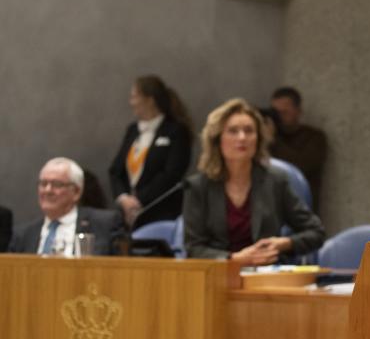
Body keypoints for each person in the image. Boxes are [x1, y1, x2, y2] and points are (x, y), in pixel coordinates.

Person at [182, 98, 325, 265]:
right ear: (217, 139)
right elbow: (193, 248)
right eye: (233, 131)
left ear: (258, 139)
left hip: (266, 276)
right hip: (219, 276)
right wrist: (236, 259)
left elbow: (316, 232)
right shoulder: (198, 186)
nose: (242, 138)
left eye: (249, 131)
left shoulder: (276, 180)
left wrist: (284, 244)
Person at [109, 75, 193, 229]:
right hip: (128, 216)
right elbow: (116, 171)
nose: (131, 102)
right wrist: (124, 199)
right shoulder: (133, 130)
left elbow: (172, 174)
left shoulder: (176, 131)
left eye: (134, 96)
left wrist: (139, 200)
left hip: (161, 214)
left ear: (150, 99)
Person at [7, 157, 123, 256]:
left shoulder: (104, 225)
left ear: (77, 192)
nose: (48, 190)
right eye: (43, 184)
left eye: (57, 184)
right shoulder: (23, 234)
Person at [269, 87, 326, 214]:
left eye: (284, 112)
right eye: (275, 113)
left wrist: (274, 140)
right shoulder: (267, 139)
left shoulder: (314, 137)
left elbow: (300, 166)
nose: (279, 118)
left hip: (301, 209)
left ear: (298, 111)